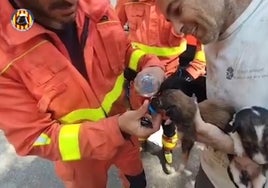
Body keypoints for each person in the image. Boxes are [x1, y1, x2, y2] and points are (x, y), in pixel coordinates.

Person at [0, 0, 166, 187]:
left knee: (137, 182)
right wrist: (116, 128)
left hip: (128, 135)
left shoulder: (94, 6)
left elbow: (124, 47)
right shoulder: (5, 53)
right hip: (82, 161)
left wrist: (149, 64)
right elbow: (34, 138)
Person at [156, 0, 268, 187]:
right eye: (170, 20)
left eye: (177, 9)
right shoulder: (213, 26)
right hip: (210, 173)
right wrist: (186, 88)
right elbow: (227, 91)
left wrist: (227, 144)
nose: (177, 29)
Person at [115, 0, 206, 171]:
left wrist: (185, 78)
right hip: (139, 76)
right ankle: (141, 142)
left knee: (169, 121)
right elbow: (114, 35)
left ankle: (168, 148)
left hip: (171, 79)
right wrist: (124, 66)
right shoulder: (125, 2)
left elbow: (201, 55)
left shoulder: (179, 4)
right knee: (140, 113)